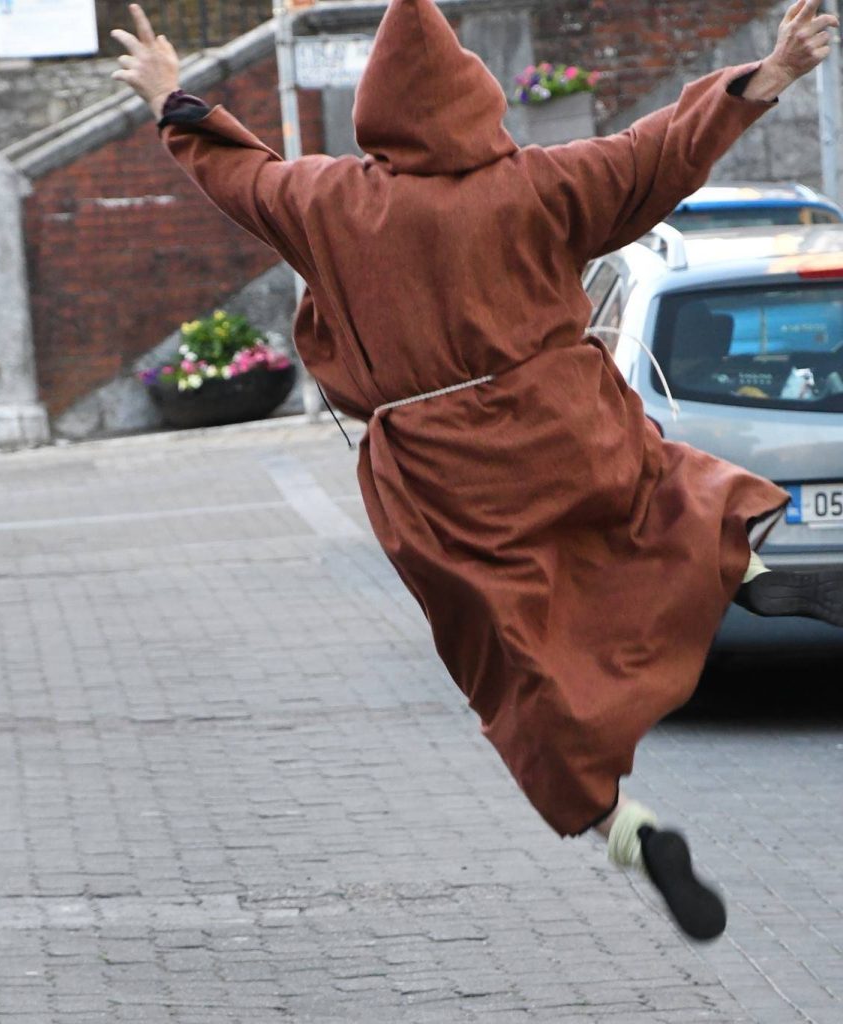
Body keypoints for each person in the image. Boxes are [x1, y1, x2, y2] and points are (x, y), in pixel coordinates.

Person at [111, 0, 842, 941]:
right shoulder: (539, 184)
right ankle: (752, 567)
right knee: (657, 492)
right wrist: (768, 74)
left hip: (443, 479)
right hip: (562, 427)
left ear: (377, 113)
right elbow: (658, 152)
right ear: (477, 97)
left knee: (513, 665)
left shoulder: (332, 202)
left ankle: (621, 824)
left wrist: (172, 97)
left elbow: (238, 173)